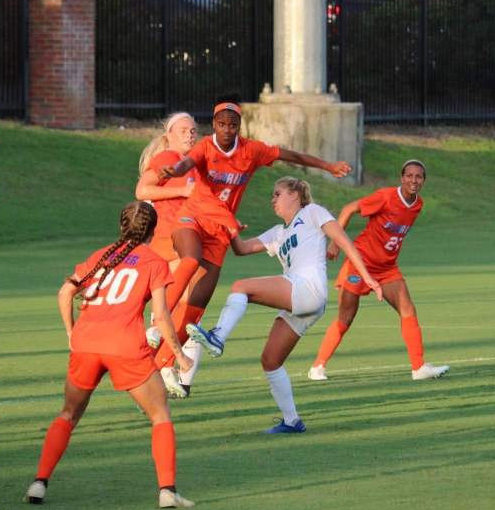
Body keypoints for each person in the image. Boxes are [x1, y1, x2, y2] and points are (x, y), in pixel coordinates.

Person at [152, 99, 352, 386]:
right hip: (192, 219)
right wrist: (178, 171)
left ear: (238, 127)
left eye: (232, 125)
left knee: (196, 307)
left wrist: (328, 166)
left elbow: (290, 155)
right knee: (191, 259)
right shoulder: (206, 146)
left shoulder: (251, 150)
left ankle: (163, 367)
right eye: (221, 124)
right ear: (214, 125)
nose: (226, 130)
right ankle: (160, 326)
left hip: (220, 232)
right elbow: (187, 162)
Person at [23, 201, 195, 509]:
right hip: (125, 346)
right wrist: (179, 356)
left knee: (68, 414)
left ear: (121, 227)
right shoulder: (154, 262)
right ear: (154, 231)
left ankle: (39, 482)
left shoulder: (100, 256)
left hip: (86, 345)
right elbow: (162, 315)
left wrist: (71, 332)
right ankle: (167, 491)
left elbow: (65, 292)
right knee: (160, 415)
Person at [186, 177, 381, 433]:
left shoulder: (312, 212)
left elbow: (343, 240)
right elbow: (242, 249)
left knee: (240, 287)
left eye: (278, 193)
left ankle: (218, 337)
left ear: (296, 195)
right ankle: (292, 421)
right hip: (303, 300)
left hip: (308, 289)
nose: (273, 198)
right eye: (272, 195)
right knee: (270, 360)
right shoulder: (279, 232)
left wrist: (367, 277)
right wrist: (229, 227)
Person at [309, 160, 449, 381]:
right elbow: (349, 209)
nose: (414, 180)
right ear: (402, 178)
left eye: (419, 176)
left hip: (387, 268)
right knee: (346, 318)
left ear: (423, 180)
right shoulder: (385, 196)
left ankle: (419, 367)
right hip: (360, 263)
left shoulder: (418, 205)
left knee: (408, 310)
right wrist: (335, 243)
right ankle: (318, 366)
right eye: (409, 176)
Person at [134, 112, 202, 398]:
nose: (190, 134)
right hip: (170, 238)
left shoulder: (193, 166)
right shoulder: (167, 159)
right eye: (184, 129)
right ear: (170, 135)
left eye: (194, 130)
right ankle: (162, 360)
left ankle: (164, 371)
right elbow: (142, 190)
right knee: (185, 308)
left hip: (187, 238)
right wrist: (183, 191)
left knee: (190, 311)